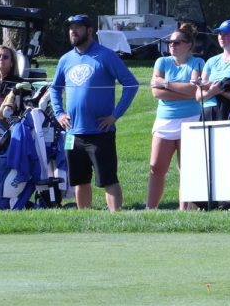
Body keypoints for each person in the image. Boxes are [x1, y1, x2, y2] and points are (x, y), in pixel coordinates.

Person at [50, 13, 139, 210]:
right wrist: (59, 113)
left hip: (101, 132)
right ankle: (85, 220)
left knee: (108, 179)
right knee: (80, 181)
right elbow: (54, 88)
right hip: (73, 133)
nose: (73, 31)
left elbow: (131, 84)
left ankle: (116, 219)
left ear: (89, 31)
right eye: (71, 27)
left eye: (78, 27)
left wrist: (115, 115)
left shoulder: (106, 55)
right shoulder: (65, 59)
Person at [146, 22, 204, 210]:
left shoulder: (197, 63)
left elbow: (195, 89)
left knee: (186, 169)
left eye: (177, 42)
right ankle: (150, 209)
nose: (172, 45)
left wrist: (166, 83)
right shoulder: (161, 62)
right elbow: (156, 93)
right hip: (165, 120)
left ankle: (184, 211)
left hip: (191, 119)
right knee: (156, 167)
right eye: (170, 42)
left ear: (188, 44)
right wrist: (183, 90)